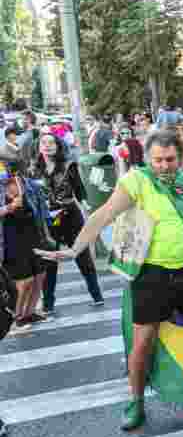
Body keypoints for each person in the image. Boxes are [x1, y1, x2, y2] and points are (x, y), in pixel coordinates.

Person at [37, 130, 183, 431]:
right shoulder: (137, 181)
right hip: (151, 274)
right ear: (147, 158)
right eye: (158, 160)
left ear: (178, 158)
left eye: (170, 159)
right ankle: (136, 400)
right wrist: (76, 248)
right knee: (142, 343)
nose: (164, 166)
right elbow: (103, 214)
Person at [31, 133, 105, 316]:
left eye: (51, 143)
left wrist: (88, 207)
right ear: (39, 146)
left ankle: (96, 295)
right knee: (49, 260)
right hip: (48, 219)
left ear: (57, 146)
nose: (47, 146)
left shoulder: (68, 166)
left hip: (70, 215)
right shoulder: (33, 170)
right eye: (44, 143)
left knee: (82, 255)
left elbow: (79, 189)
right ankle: (48, 304)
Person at [2, 169, 49, 334]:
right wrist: (9, 207)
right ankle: (13, 320)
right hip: (11, 241)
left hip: (31, 235)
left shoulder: (24, 181)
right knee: (23, 282)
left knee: (39, 276)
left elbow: (38, 208)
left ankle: (27, 314)